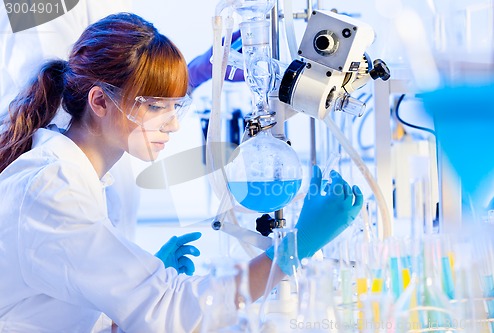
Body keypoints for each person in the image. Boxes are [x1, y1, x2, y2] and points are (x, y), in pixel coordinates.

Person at [0, 13, 363, 332]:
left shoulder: (71, 172)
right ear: (98, 102)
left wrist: (126, 290)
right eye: (156, 106)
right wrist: (295, 249)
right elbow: (171, 312)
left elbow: (56, 310)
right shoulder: (51, 191)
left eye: (178, 106)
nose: (173, 125)